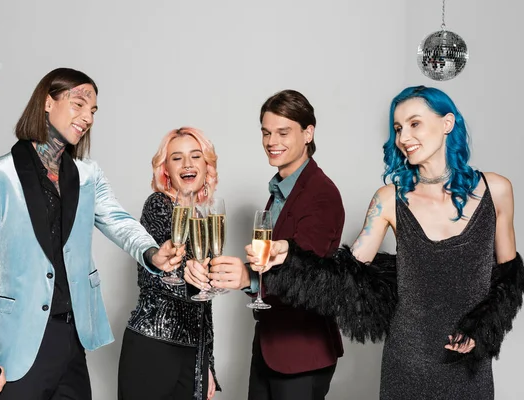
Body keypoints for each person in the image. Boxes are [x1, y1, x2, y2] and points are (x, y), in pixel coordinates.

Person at [254, 86, 523, 400]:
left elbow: (509, 275)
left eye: (414, 123)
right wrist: (291, 259)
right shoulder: (388, 200)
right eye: (397, 128)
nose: (403, 137)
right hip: (406, 363)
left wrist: (483, 330)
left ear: (447, 123)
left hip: (469, 367)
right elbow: (345, 276)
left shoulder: (497, 190)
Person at [0, 67, 183, 400]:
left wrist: (151, 252)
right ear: (47, 103)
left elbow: (118, 221)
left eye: (92, 110)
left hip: (74, 336)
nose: (87, 116)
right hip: (20, 342)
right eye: (78, 104)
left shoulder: (87, 174)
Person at [188, 90, 345, 399]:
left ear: (308, 132)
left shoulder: (320, 193)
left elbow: (306, 271)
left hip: (301, 354)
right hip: (270, 346)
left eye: (283, 132)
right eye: (266, 132)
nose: (272, 141)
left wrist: (249, 277)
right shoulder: (282, 190)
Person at [118, 127, 221, 400]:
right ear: (166, 169)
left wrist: (205, 363)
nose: (187, 164)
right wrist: (190, 278)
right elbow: (152, 277)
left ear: (205, 165)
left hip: (191, 353)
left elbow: (204, 303)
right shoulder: (158, 205)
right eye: (177, 158)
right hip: (153, 347)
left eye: (195, 156)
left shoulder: (203, 218)